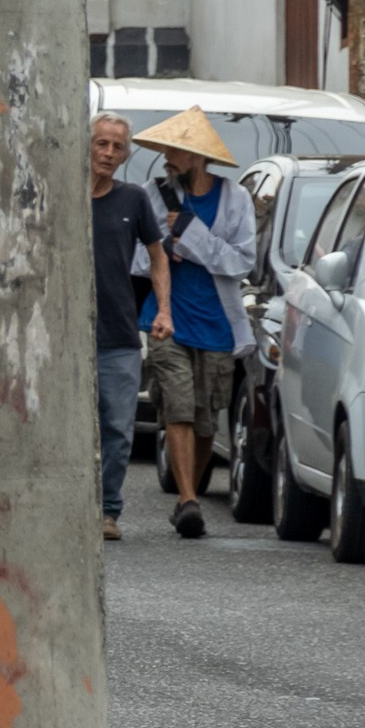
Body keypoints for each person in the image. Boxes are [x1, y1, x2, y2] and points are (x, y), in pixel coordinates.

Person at [131, 106, 257, 538]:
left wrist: (193, 236)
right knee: (179, 406)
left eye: (176, 149)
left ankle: (191, 493)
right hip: (167, 319)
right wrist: (168, 243)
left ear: (197, 156)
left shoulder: (235, 199)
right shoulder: (154, 194)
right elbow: (139, 259)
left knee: (205, 419)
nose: (167, 156)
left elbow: (242, 262)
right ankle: (187, 500)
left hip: (219, 324)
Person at [91, 114, 172, 541]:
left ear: (126, 154)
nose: (107, 153)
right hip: (65, 340)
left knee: (118, 428)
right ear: (86, 146)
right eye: (100, 144)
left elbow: (158, 255)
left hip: (119, 334)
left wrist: (163, 310)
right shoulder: (63, 195)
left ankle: (107, 510)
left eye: (116, 147)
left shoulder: (133, 199)